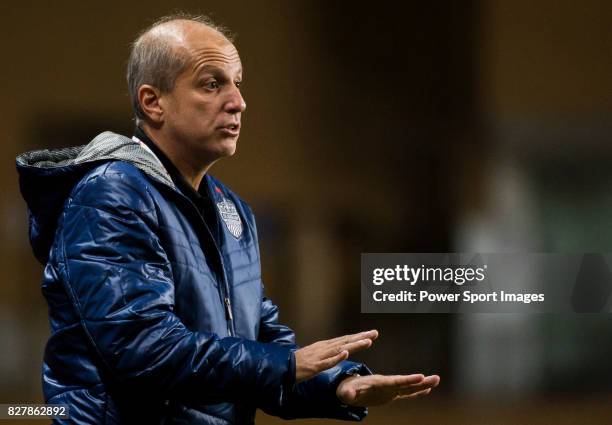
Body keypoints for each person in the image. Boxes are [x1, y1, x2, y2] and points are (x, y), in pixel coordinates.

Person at [16, 14, 439, 425]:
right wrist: (287, 365)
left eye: (237, 83)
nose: (238, 101)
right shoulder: (111, 194)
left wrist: (336, 385)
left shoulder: (229, 208)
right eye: (212, 84)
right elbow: (142, 347)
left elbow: (257, 340)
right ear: (153, 102)